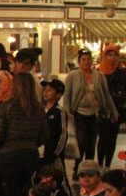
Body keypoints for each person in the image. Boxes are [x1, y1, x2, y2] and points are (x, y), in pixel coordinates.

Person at [0, 72, 47, 196]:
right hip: (30, 154)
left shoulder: (6, 107)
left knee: (9, 195)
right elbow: (44, 135)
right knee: (26, 193)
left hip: (8, 156)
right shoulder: (38, 109)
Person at [64, 48, 117, 176]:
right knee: (81, 141)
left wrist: (113, 111)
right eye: (83, 59)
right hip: (79, 113)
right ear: (79, 62)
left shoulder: (99, 76)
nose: (86, 62)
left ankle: (88, 170)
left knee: (91, 143)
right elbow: (67, 95)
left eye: (89, 59)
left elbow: (106, 95)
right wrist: (66, 112)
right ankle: (77, 167)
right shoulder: (73, 76)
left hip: (95, 113)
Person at [97, 44, 126, 168]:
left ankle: (107, 165)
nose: (113, 58)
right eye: (110, 55)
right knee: (103, 137)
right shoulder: (98, 74)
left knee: (112, 138)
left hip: (117, 110)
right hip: (102, 110)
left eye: (115, 55)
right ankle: (99, 164)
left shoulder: (122, 73)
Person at [40, 78, 69, 186]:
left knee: (59, 178)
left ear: (58, 95)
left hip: (54, 155)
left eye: (50, 90)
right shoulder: (41, 110)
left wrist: (55, 154)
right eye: (45, 89)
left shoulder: (59, 112)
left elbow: (63, 134)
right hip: (41, 153)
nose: (46, 92)